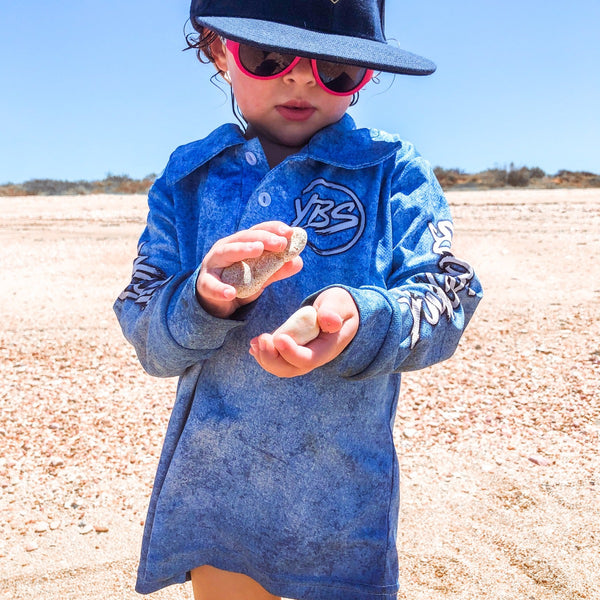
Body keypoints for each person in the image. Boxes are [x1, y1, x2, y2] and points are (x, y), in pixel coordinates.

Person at [114, 1, 483, 599]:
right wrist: (204, 298)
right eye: (269, 57)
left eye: (336, 66)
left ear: (366, 74)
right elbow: (147, 329)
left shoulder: (392, 171)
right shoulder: (189, 178)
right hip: (216, 493)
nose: (303, 78)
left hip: (340, 500)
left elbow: (446, 298)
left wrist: (361, 316)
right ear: (217, 50)